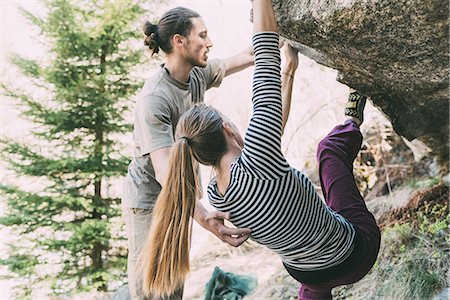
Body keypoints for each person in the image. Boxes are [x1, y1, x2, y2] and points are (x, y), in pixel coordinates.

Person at [140, 0, 381, 299]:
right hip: (355, 255)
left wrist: (288, 74)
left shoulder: (218, 195)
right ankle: (351, 121)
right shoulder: (257, 158)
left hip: (310, 274)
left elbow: (270, 137)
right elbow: (266, 57)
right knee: (329, 153)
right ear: (228, 129)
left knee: (312, 281)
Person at [122, 6, 254, 300]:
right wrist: (205, 217)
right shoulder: (155, 99)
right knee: (150, 286)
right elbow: (164, 171)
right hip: (149, 200)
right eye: (203, 36)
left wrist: (278, 34)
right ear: (180, 41)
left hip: (181, 196)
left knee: (173, 283)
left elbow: (245, 57)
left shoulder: (197, 74)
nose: (210, 43)